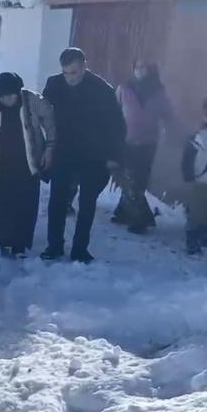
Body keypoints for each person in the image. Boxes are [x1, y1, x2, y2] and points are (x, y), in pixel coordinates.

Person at [41, 48, 126, 263]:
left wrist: (113, 156)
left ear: (84, 67)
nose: (70, 77)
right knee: (57, 199)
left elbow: (117, 126)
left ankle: (80, 249)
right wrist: (45, 146)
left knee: (87, 202)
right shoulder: (54, 84)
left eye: (74, 72)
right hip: (64, 151)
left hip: (93, 154)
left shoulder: (102, 90)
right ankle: (54, 246)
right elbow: (43, 115)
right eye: (66, 72)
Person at [0, 73, 56, 258]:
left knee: (24, 205)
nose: (6, 99)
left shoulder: (33, 101)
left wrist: (49, 148)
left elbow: (50, 122)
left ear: (18, 91)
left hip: (26, 163)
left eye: (10, 95)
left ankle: (19, 245)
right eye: (2, 96)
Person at [113, 60, 174, 234]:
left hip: (148, 143)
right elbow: (115, 111)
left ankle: (137, 216)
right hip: (126, 141)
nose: (139, 70)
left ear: (150, 70)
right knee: (127, 177)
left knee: (137, 180)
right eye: (137, 67)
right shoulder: (124, 89)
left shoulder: (158, 91)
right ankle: (130, 213)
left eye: (143, 67)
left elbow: (167, 114)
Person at [181, 97, 207, 255]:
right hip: (200, 182)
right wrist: (189, 178)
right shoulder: (198, 137)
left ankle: (202, 235)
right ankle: (192, 240)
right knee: (196, 213)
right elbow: (187, 159)